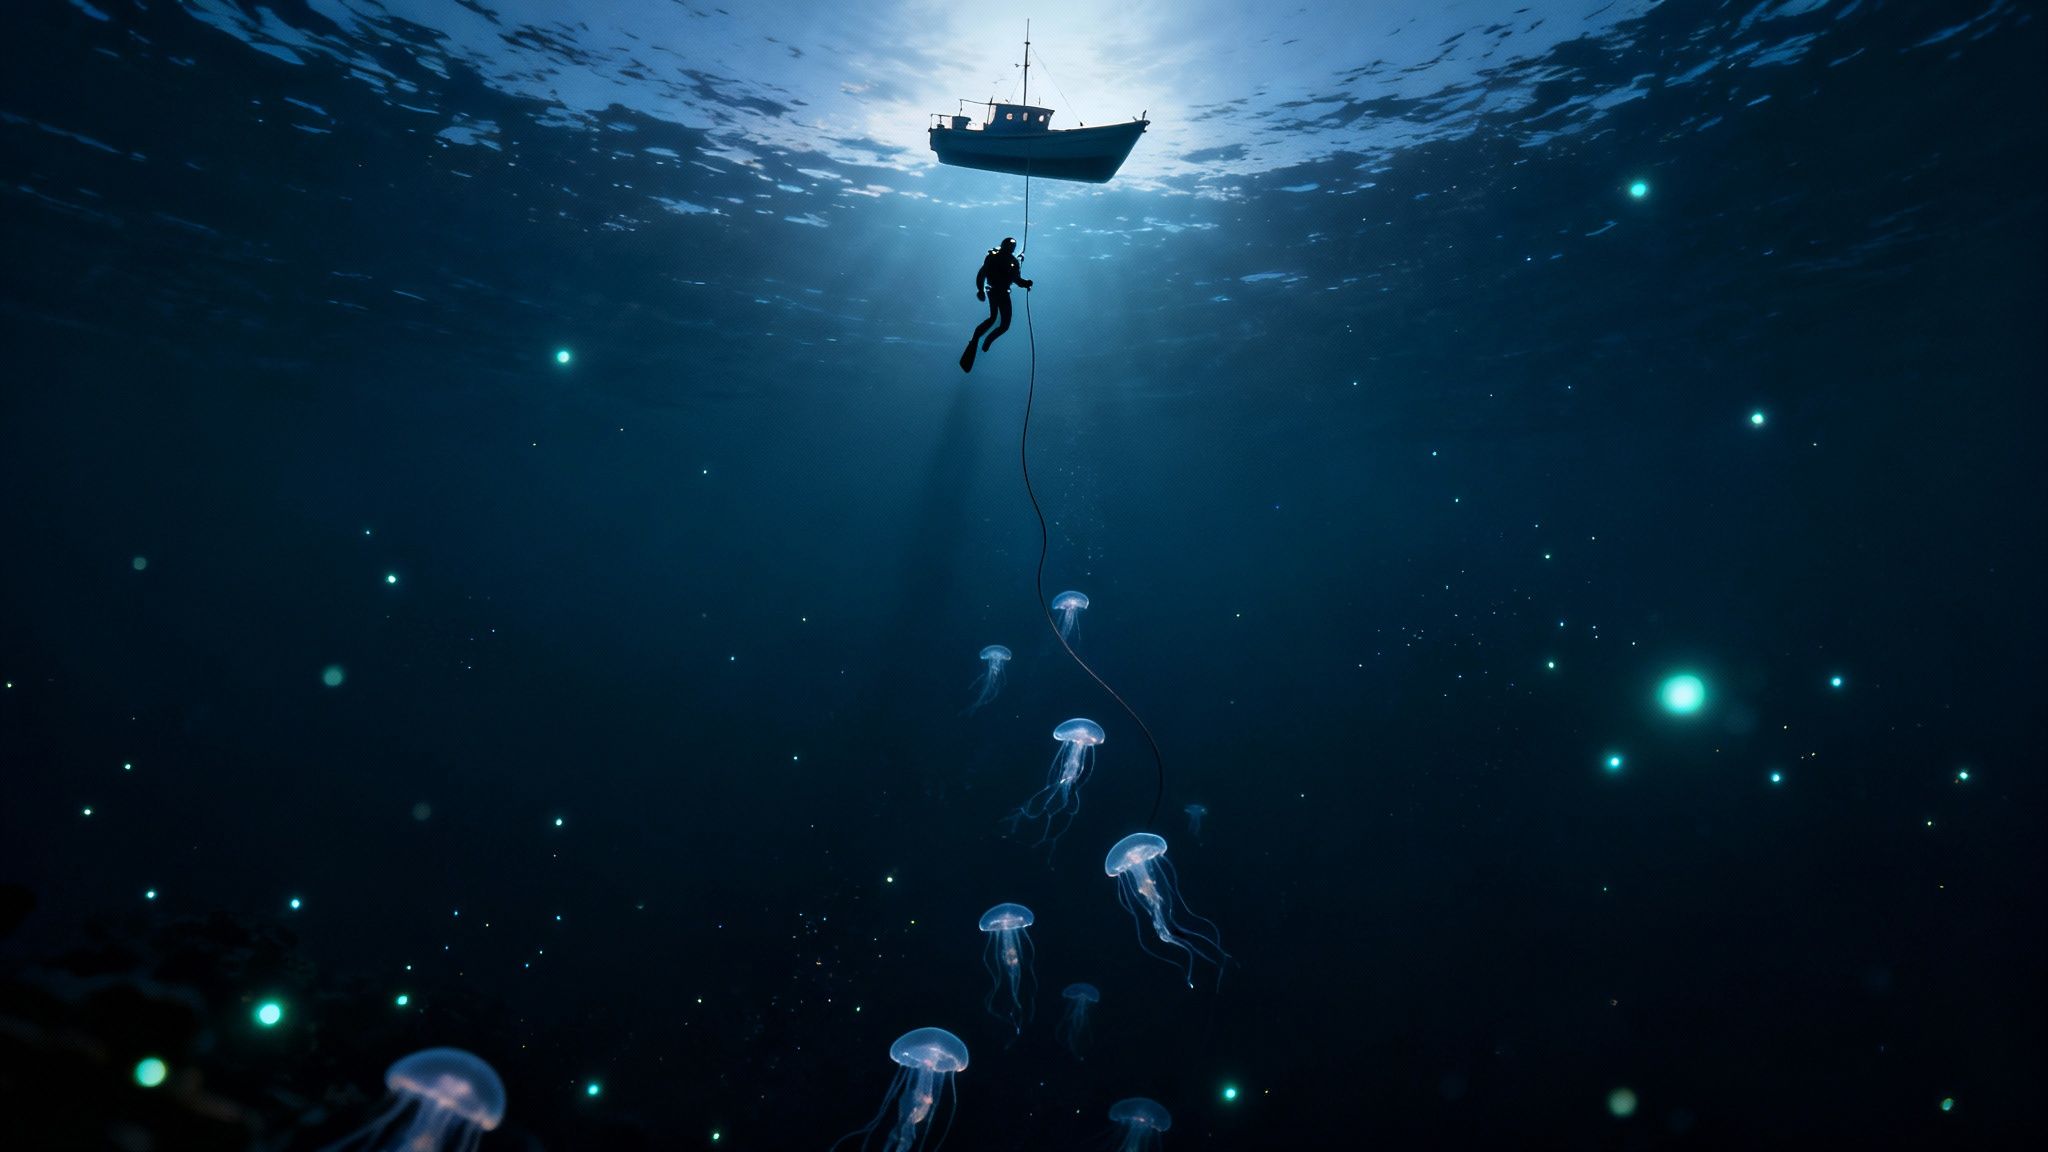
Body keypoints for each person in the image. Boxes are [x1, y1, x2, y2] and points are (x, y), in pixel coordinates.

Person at [960, 237, 1033, 373]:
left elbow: (1016, 280)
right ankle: (979, 340)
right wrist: (980, 289)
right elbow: (982, 274)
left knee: (1001, 323)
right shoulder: (995, 258)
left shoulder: (1012, 261)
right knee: (995, 320)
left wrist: (1026, 283)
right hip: (995, 291)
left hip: (1000, 292)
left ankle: (985, 341)